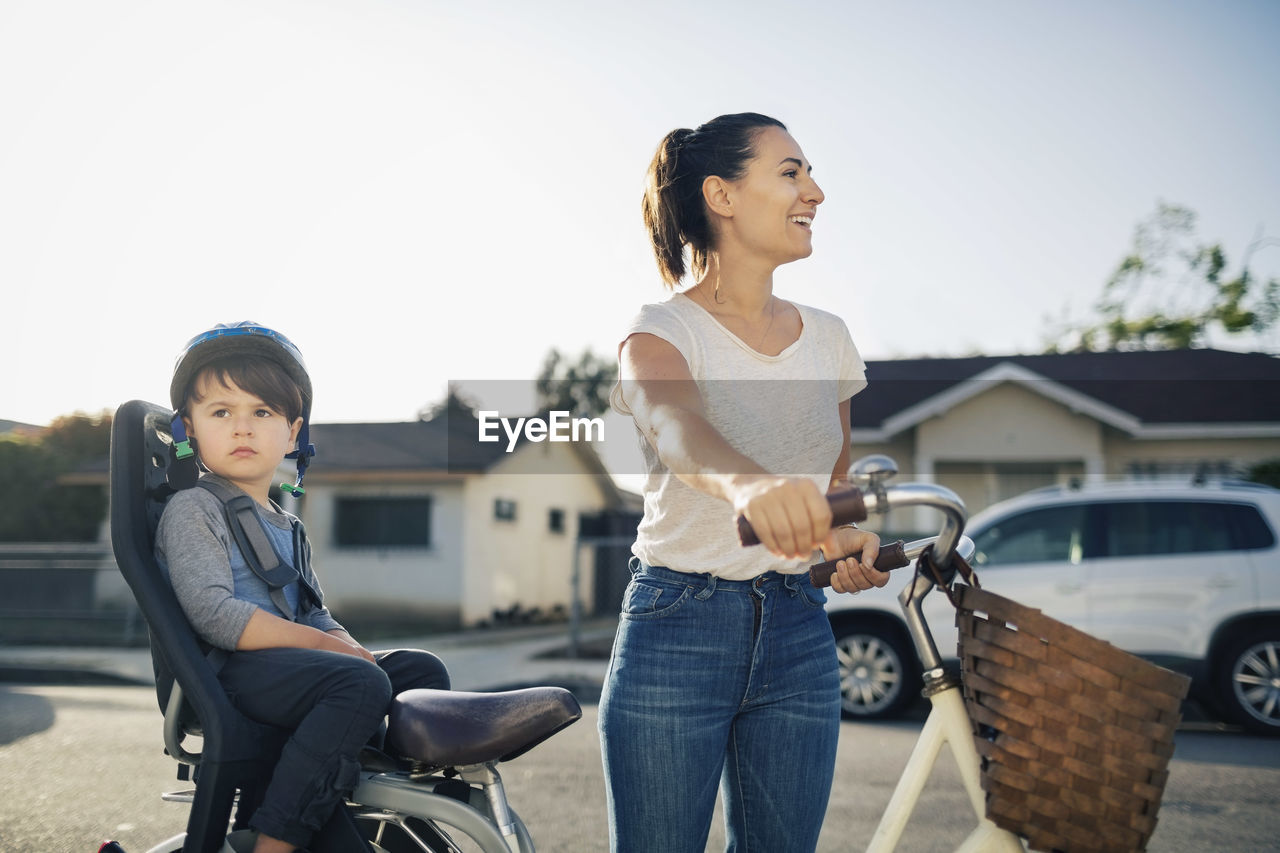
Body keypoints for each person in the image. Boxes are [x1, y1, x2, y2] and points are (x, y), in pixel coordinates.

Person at [598, 113, 889, 853]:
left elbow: (832, 492)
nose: (814, 191)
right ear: (722, 196)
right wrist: (752, 488)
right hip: (677, 623)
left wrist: (842, 545)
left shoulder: (829, 339)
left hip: (798, 623)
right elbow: (672, 424)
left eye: (810, 173)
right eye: (790, 171)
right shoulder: (660, 330)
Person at [155, 321, 450, 853]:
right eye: (221, 413)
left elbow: (313, 612)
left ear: (292, 434)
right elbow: (214, 614)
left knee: (416, 670)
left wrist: (349, 646)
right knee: (357, 684)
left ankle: (377, 791)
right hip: (228, 674)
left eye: (261, 413)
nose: (242, 428)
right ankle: (279, 839)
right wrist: (327, 650)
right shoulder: (194, 508)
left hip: (290, 673)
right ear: (190, 430)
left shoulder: (285, 523)